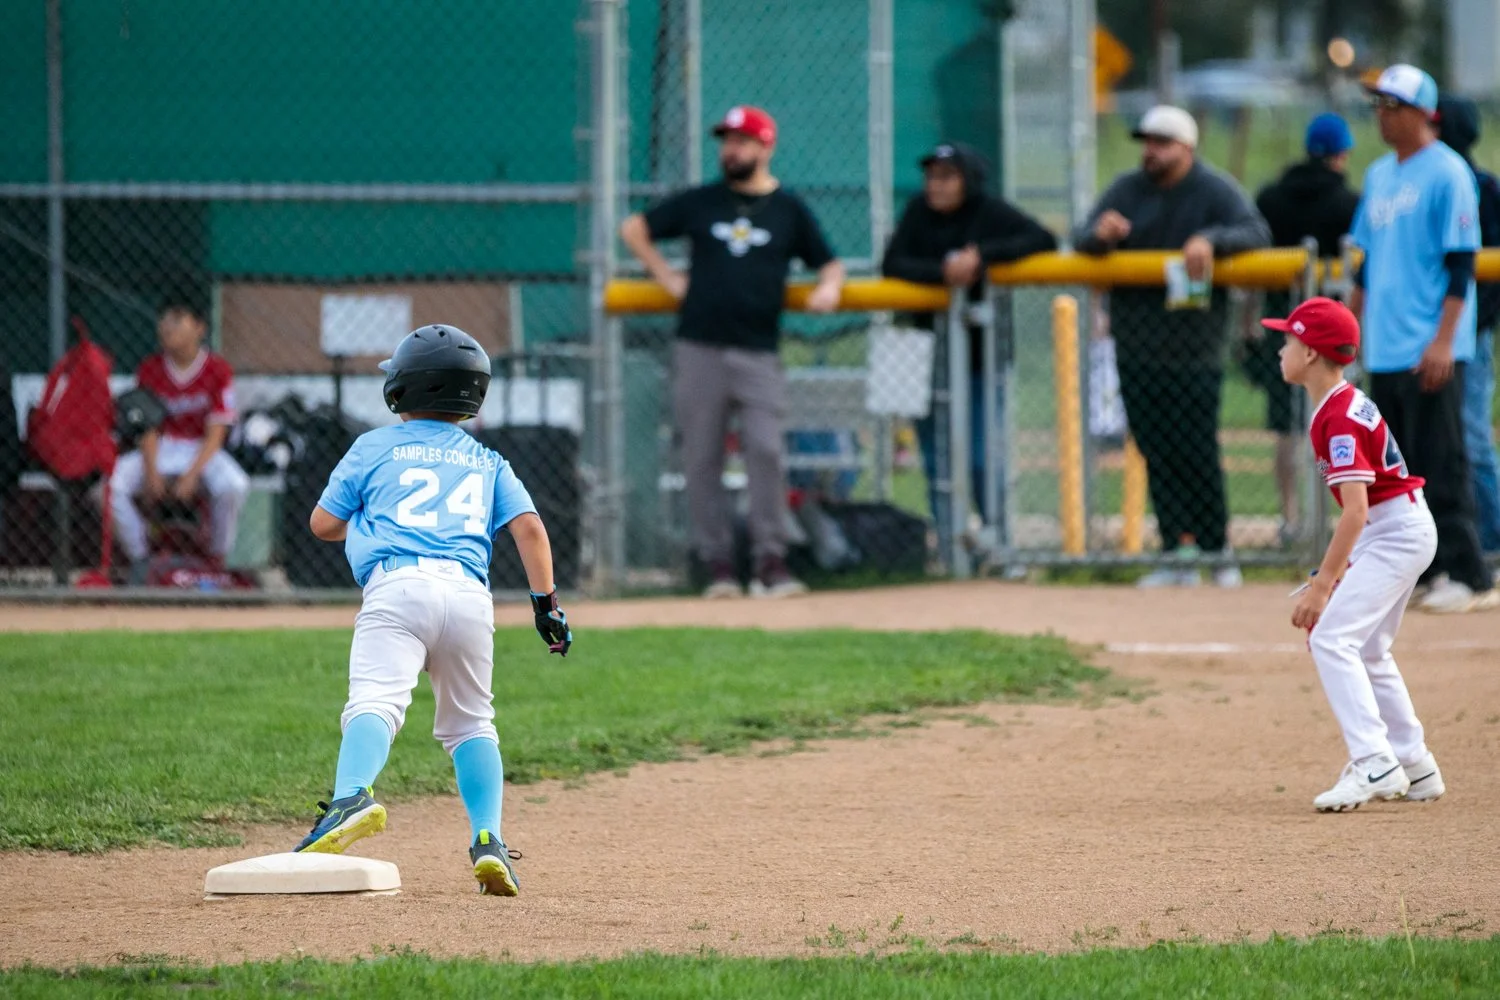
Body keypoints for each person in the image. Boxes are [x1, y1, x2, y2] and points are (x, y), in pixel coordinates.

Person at [293, 324, 572, 897]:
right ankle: (489, 839)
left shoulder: (373, 446)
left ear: (400, 388)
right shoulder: (489, 461)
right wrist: (546, 607)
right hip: (471, 597)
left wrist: (369, 512)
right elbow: (530, 530)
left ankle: (351, 798)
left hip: (398, 588)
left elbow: (322, 524)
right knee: (472, 722)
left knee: (375, 701)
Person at [620, 105, 845, 599]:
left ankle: (771, 561)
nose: (731, 150)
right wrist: (666, 275)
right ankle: (718, 565)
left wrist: (828, 286)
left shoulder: (788, 208)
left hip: (759, 351)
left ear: (766, 147)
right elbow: (634, 228)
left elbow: (829, 263)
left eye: (743, 141)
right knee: (702, 458)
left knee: (766, 450)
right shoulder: (703, 201)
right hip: (699, 347)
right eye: (726, 141)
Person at [1073, 105, 1271, 587]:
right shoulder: (1126, 189)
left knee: (1196, 447)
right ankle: (1174, 551)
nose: (1150, 151)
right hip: (1137, 343)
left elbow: (1256, 233)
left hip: (1194, 346)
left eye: (1161, 143)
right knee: (1154, 448)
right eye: (1147, 142)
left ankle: (1217, 549)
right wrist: (1100, 237)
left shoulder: (1213, 189)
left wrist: (1211, 238)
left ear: (1186, 148)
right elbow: (1080, 237)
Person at [1270, 297, 1443, 812]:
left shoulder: (1339, 418)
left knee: (1331, 638)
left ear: (1310, 354)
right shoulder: (1339, 404)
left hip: (1394, 532)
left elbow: (1354, 511)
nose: (1281, 348)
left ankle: (1374, 761)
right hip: (1398, 527)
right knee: (1368, 648)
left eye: (1288, 340)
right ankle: (1415, 765)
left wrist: (1324, 585)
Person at [1348, 64, 1497, 613]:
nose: (1381, 116)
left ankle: (1469, 573)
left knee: (1444, 460)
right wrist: (1351, 328)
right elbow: (1366, 265)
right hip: (1385, 345)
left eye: (1391, 106)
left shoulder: (1448, 172)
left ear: (1420, 113)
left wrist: (1444, 341)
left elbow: (1461, 266)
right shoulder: (1379, 174)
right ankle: (1424, 571)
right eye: (1378, 106)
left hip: (1430, 345)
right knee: (1397, 471)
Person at [881, 142, 1057, 544]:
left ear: (968, 181)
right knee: (937, 457)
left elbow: (1043, 240)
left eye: (947, 177)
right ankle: (948, 546)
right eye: (932, 177)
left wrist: (982, 259)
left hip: (981, 356)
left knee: (981, 457)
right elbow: (893, 263)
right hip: (920, 355)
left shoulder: (989, 212)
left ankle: (996, 540)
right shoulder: (916, 212)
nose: (936, 186)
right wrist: (943, 272)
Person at [1248, 113, 1361, 545]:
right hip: (1336, 326)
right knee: (1341, 422)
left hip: (1287, 327)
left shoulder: (1272, 198)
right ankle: (1339, 520)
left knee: (1286, 427)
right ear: (1341, 154)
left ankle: (1291, 519)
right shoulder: (1349, 202)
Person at [109, 303, 250, 584]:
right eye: (164, 319)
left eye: (177, 319)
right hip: (159, 448)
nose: (167, 326)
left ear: (199, 327)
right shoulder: (150, 369)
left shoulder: (217, 370)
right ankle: (142, 557)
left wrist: (192, 475)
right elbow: (146, 428)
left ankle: (215, 559)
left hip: (201, 450)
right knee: (112, 485)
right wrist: (151, 472)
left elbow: (216, 433)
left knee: (234, 485)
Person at [1435, 93, 1500, 554]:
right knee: (1443, 439)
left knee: (1472, 438)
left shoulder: (1481, 187)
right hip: (1428, 332)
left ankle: (1492, 541)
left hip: (1470, 331)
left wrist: (1482, 321)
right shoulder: (1426, 179)